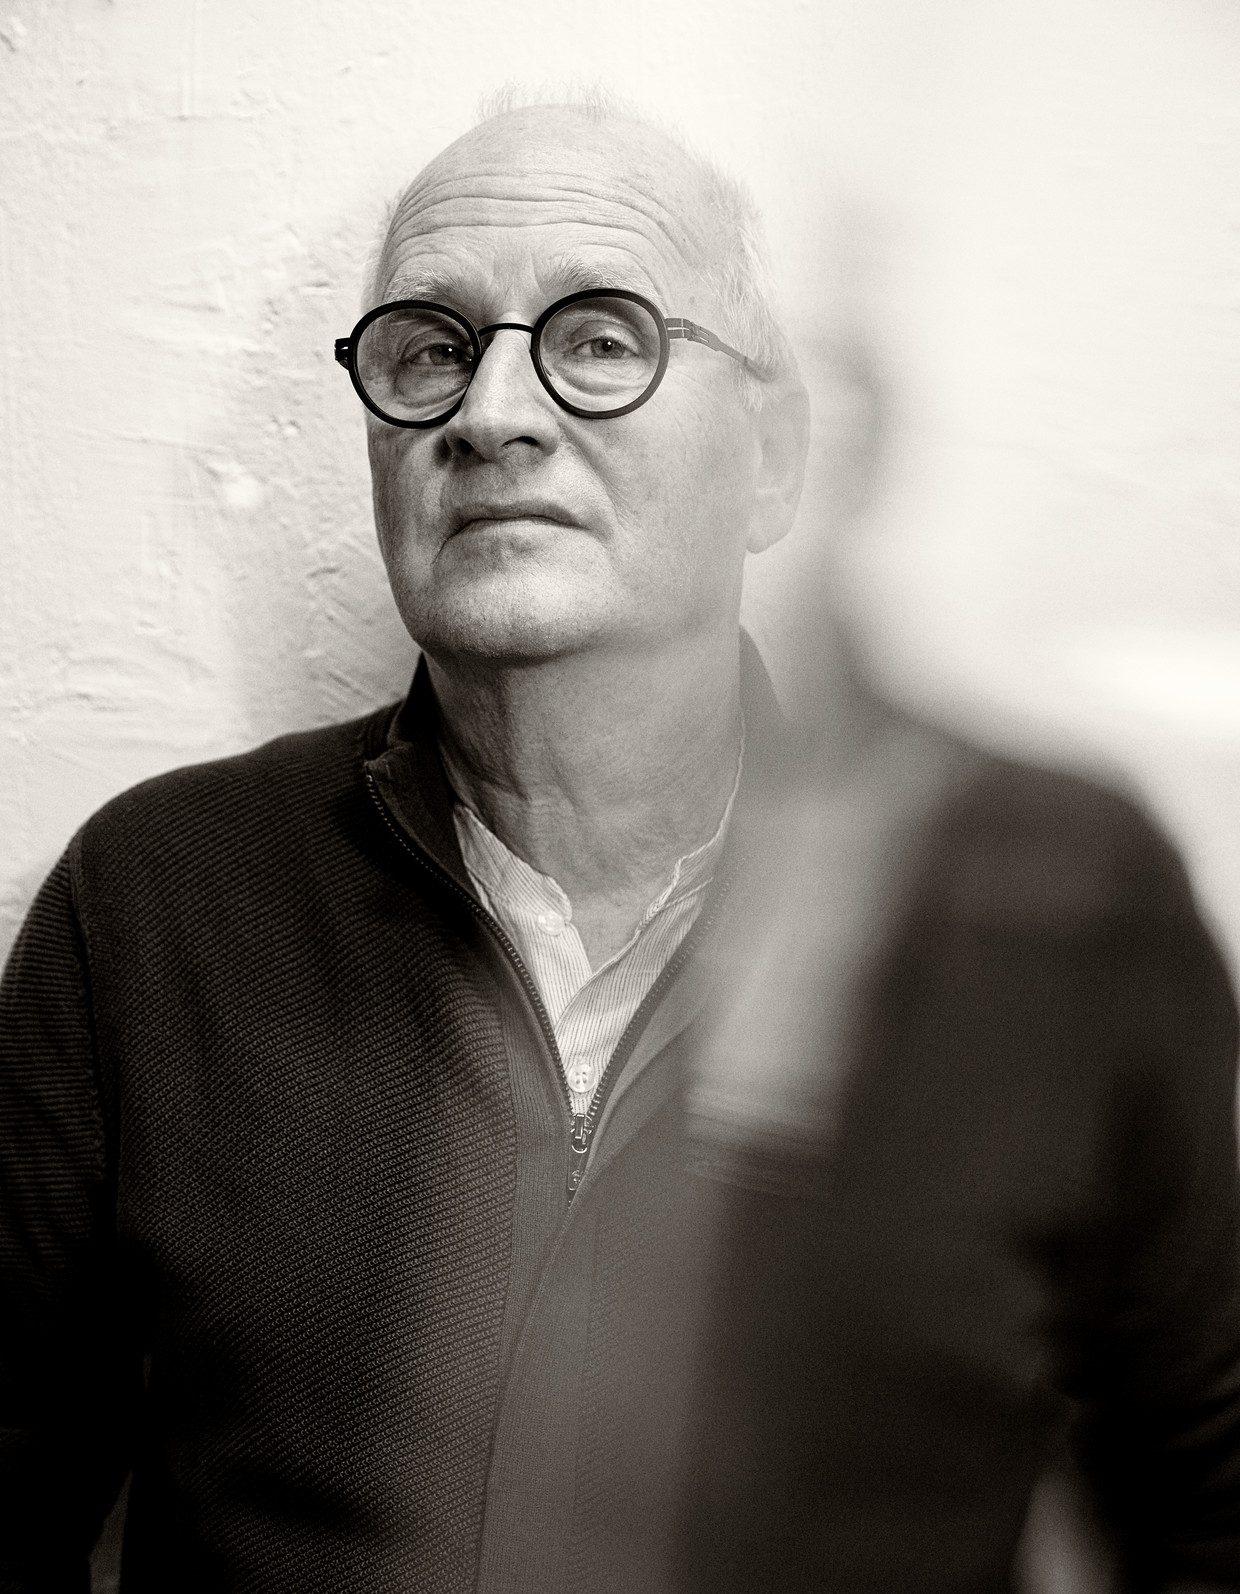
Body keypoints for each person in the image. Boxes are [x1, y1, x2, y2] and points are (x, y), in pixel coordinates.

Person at [2, 98, 1239, 1594]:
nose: (490, 413)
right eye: (429, 349)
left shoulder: (1050, 900)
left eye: (599, 339)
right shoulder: (156, 900)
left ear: (774, 455)